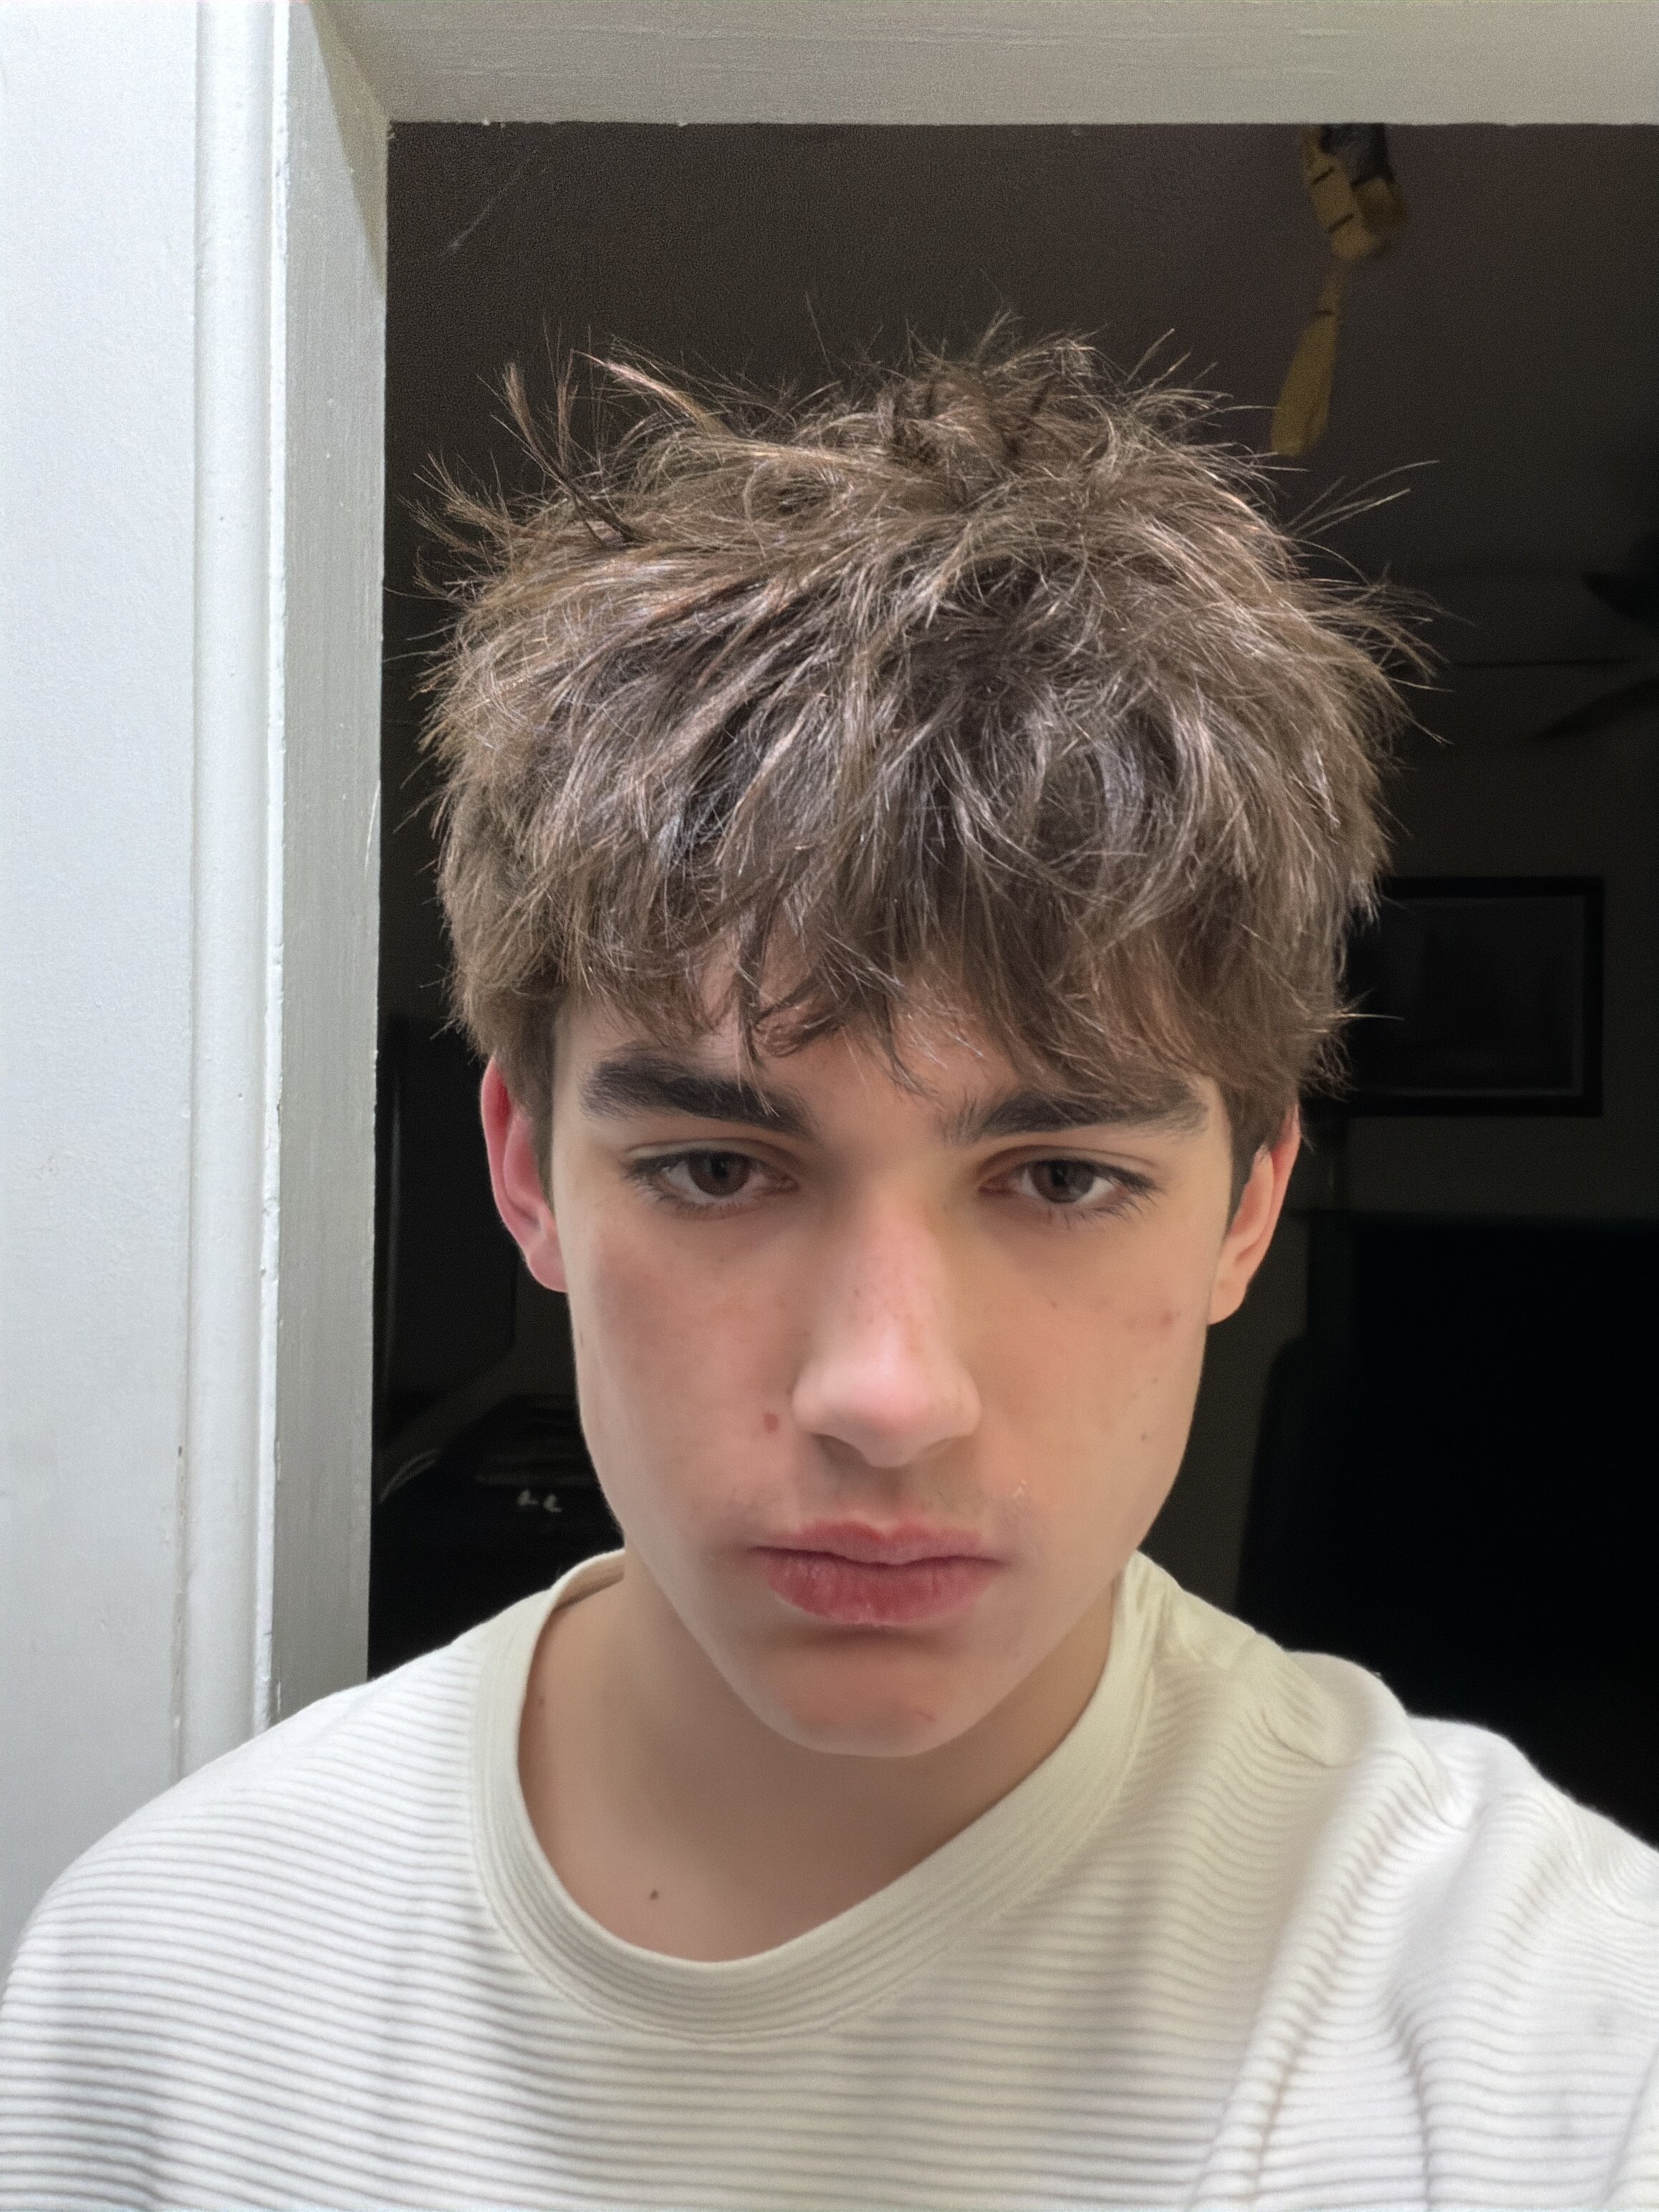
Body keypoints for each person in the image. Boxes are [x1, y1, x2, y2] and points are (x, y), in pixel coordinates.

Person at [2, 338, 1655, 2211]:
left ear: (1246, 1209)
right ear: (526, 1174)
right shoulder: (164, 1992)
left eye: (1061, 1177)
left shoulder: (1544, 2034)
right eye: (716, 1169)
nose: (886, 1394)